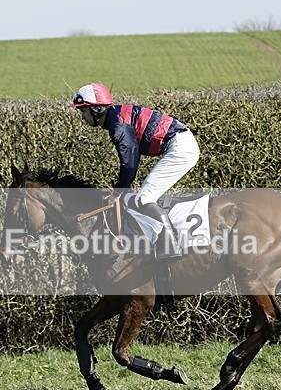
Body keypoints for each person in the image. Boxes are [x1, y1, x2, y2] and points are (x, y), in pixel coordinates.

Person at [69, 83, 200, 259]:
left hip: (180, 148)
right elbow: (132, 159)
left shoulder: (118, 126)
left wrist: (118, 190)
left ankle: (170, 245)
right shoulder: (116, 119)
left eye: (83, 112)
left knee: (144, 198)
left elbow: (129, 163)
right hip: (179, 144)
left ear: (97, 109)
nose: (82, 118)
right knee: (141, 197)